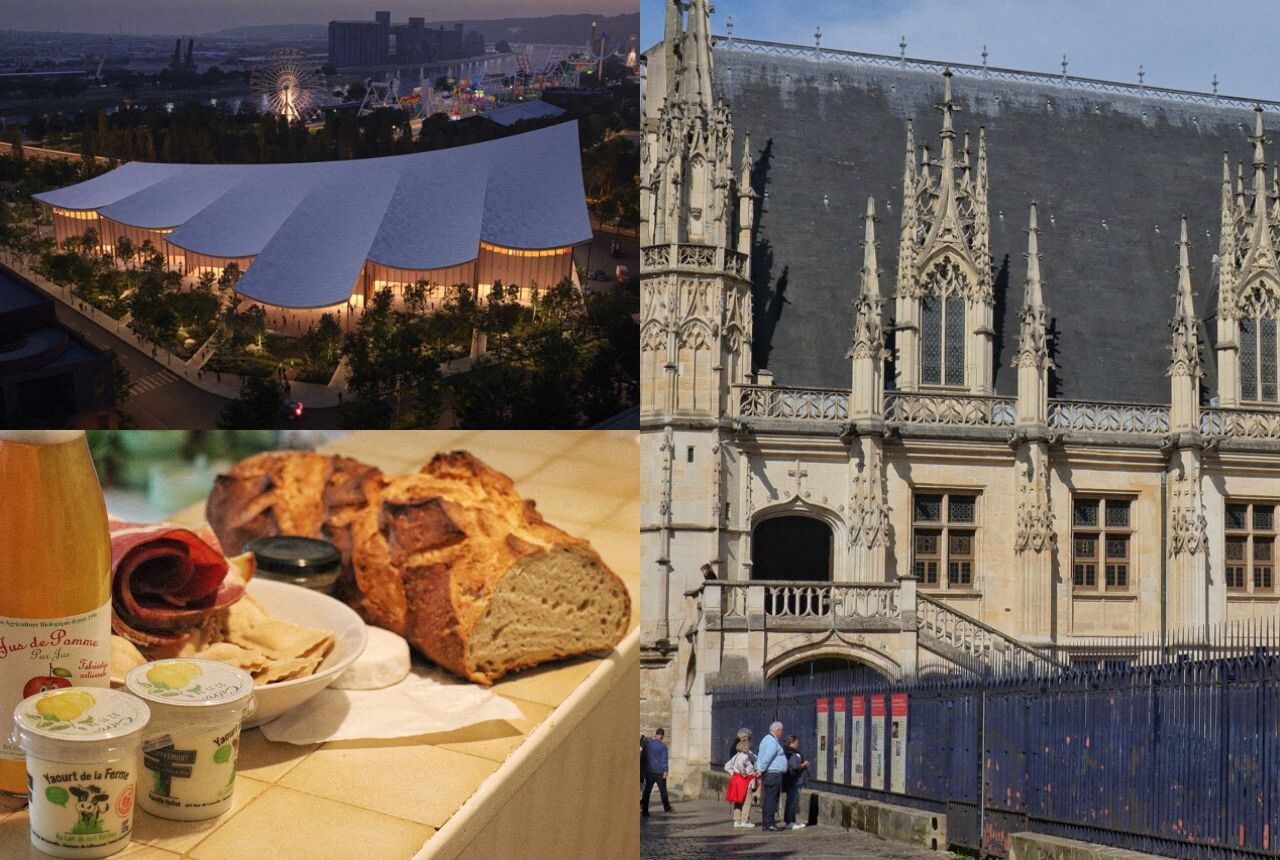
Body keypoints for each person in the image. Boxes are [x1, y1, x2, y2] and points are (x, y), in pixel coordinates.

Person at [756, 721, 788, 831]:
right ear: (777, 730)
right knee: (772, 799)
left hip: (769, 773)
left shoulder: (765, 739)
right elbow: (767, 757)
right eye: (781, 731)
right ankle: (769, 823)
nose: (782, 733)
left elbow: (760, 756)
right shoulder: (772, 742)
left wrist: (760, 768)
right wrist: (761, 769)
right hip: (773, 774)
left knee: (768, 798)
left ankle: (766, 823)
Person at [723, 737, 757, 828]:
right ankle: (744, 820)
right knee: (747, 801)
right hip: (745, 781)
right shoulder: (745, 756)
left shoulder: (736, 756)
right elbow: (741, 765)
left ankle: (737, 820)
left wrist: (734, 773)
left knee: (738, 800)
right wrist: (744, 774)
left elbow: (727, 766)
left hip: (737, 780)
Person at [782, 734, 810, 830]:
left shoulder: (786, 752)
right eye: (797, 742)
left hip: (791, 780)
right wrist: (804, 764)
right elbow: (794, 766)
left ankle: (792, 820)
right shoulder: (792, 753)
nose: (798, 744)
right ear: (791, 743)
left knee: (792, 801)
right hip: (794, 780)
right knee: (792, 801)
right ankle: (789, 822)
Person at [641, 728, 672, 816]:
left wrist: (643, 769)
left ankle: (645, 811)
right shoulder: (663, 746)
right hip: (660, 772)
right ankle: (667, 809)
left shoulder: (648, 744)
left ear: (656, 734)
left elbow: (643, 757)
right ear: (662, 736)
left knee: (647, 792)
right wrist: (665, 771)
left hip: (649, 772)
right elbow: (664, 759)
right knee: (663, 791)